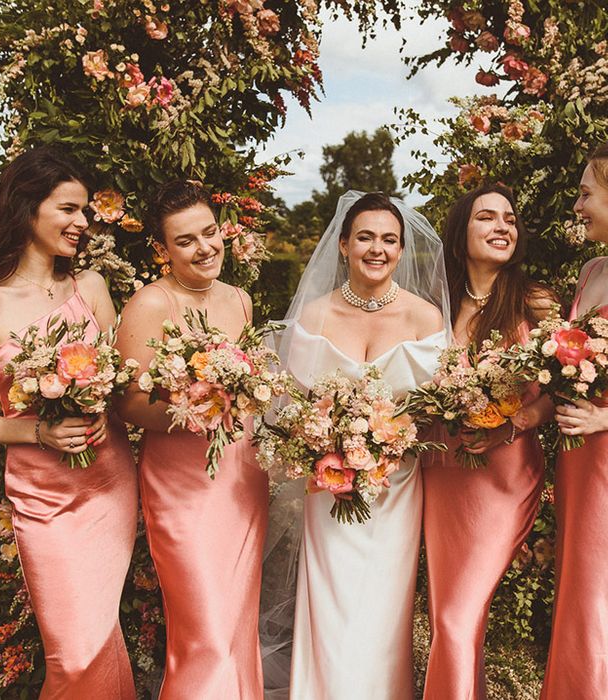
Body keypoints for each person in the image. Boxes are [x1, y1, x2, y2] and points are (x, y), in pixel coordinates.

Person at [0, 146, 137, 699]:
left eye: (86, 214)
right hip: (43, 493)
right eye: (69, 210)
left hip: (110, 480)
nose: (82, 224)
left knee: (100, 634)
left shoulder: (90, 289)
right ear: (27, 208)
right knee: (72, 650)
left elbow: (118, 382)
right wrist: (36, 431)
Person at [265, 191, 450, 699]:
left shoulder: (426, 319)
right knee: (331, 604)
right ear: (343, 244)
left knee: (383, 610)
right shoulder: (315, 316)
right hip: (329, 488)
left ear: (401, 249)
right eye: (365, 237)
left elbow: (437, 411)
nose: (377, 249)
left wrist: (388, 439)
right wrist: (324, 444)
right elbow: (288, 407)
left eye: (390, 240)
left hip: (397, 489)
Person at [115, 180, 269, 699]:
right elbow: (129, 404)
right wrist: (199, 407)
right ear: (161, 250)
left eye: (210, 233)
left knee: (235, 623)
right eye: (186, 240)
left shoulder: (240, 300)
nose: (205, 247)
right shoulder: (151, 304)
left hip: (241, 478)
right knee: (204, 630)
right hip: (182, 486)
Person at [420, 183, 557, 699]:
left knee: (458, 614)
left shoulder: (534, 302)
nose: (502, 226)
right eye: (487, 218)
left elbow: (561, 392)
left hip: (503, 475)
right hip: (442, 475)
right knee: (448, 614)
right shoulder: (434, 307)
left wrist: (513, 422)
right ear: (461, 236)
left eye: (510, 218)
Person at [542, 143, 608, 699]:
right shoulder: (591, 271)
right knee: (579, 586)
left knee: (597, 592)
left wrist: (604, 421)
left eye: (588, 192)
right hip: (578, 460)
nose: (579, 204)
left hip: (603, 448)